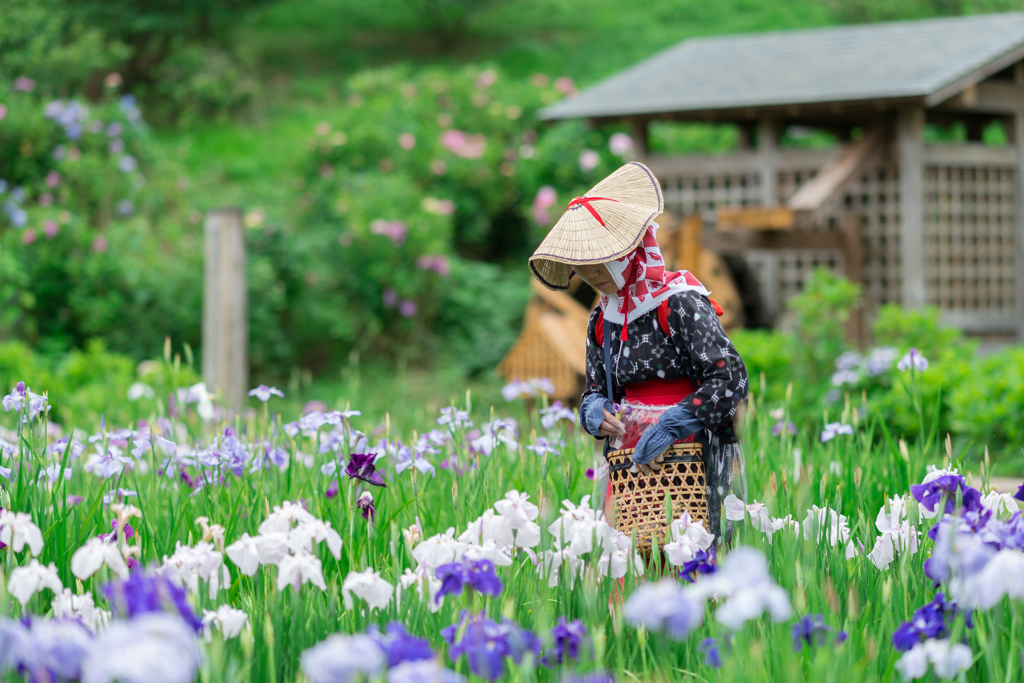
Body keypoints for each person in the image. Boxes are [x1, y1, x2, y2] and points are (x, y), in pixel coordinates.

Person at [528, 161, 748, 540]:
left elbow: (730, 379)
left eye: (601, 257)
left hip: (692, 453)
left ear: (631, 248)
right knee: (631, 559)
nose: (591, 270)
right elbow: (595, 389)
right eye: (582, 263)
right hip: (629, 464)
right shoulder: (602, 318)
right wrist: (595, 413)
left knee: (692, 555)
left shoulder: (679, 303)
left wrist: (674, 423)